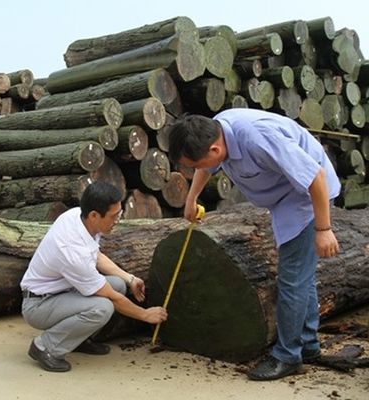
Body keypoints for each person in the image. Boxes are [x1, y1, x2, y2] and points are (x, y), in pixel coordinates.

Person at [167, 109, 340, 381]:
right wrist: (192, 198)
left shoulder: (258, 138)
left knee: (292, 278)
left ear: (215, 149)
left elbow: (315, 177)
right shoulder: (213, 132)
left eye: (195, 163)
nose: (197, 168)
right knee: (300, 275)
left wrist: (324, 229)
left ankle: (288, 356)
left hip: (307, 197)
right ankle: (307, 345)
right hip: (284, 197)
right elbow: (205, 166)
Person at [20, 181, 167, 372]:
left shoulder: (78, 217)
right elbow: (112, 298)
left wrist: (130, 278)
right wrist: (145, 315)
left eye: (119, 214)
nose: (117, 220)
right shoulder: (73, 251)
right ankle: (45, 347)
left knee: (118, 284)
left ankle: (77, 339)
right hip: (39, 305)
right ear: (94, 215)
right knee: (102, 307)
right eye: (114, 216)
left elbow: (96, 255)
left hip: (61, 292)